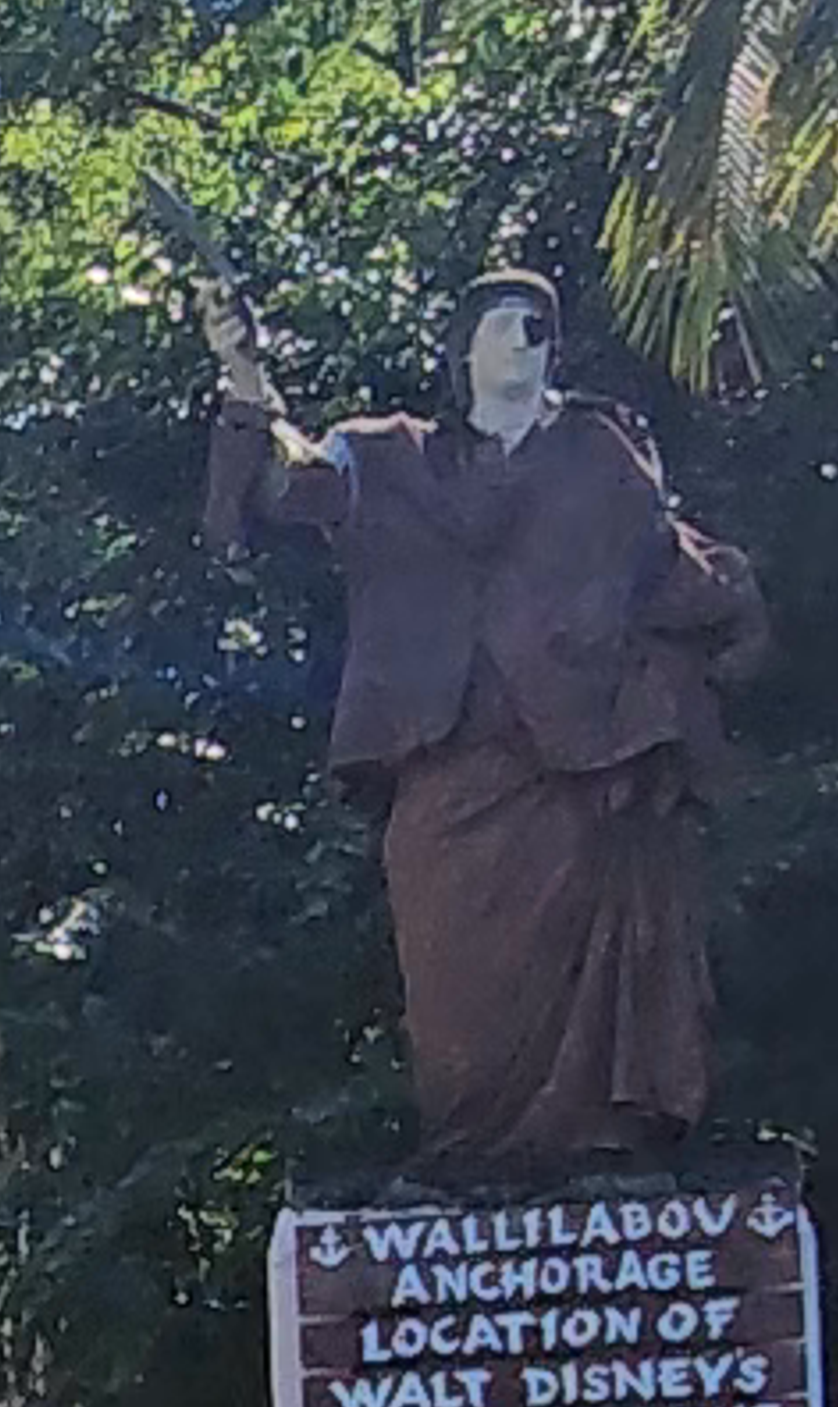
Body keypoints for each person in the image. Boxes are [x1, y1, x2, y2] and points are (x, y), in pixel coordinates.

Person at [200, 259, 766, 1165]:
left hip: (579, 769)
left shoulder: (597, 456)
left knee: (598, 977)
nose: (522, 337)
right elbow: (291, 482)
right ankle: (472, 1157)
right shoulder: (385, 453)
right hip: (447, 770)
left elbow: (667, 567)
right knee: (456, 994)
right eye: (500, 320)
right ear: (461, 347)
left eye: (537, 321)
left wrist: (718, 633)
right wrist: (243, 371)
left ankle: (603, 1152)